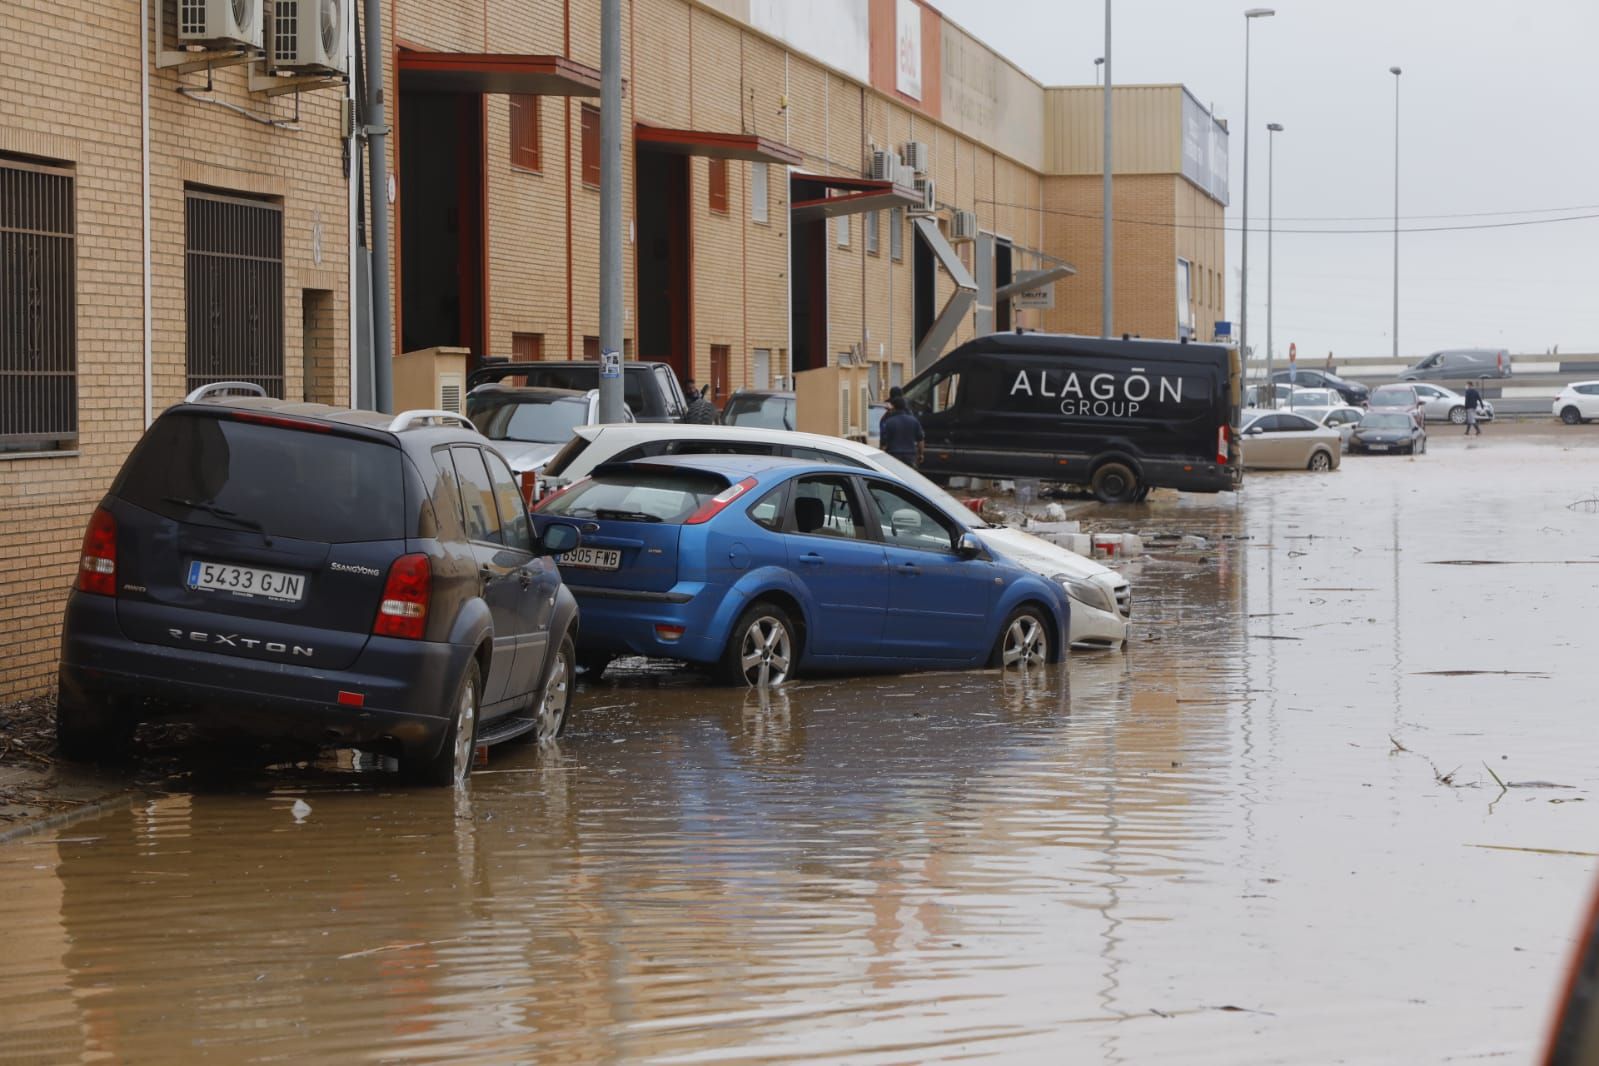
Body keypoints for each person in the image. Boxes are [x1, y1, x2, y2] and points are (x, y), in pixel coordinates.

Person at [878, 395, 924, 468]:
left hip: (894, 456)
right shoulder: (914, 421)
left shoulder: (889, 422)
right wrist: (921, 454)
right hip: (910, 456)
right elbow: (920, 440)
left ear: (894, 407)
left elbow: (883, 443)